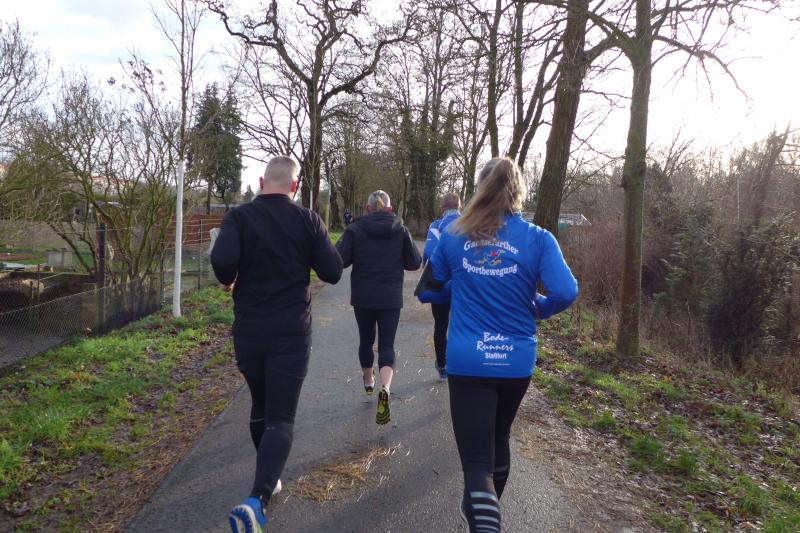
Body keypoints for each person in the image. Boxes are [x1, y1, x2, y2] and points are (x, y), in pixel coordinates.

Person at [422, 157, 577, 533]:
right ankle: (485, 511)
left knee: (477, 464)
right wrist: (539, 307)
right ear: (518, 192)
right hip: (516, 361)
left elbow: (427, 290)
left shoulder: (455, 235)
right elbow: (566, 291)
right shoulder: (539, 238)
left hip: (469, 360)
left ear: (480, 190)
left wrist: (457, 285)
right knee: (499, 436)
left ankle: (483, 515)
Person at [211, 156, 343, 533]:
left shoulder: (239, 217)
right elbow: (333, 271)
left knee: (261, 404)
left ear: (260, 182)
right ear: (295, 186)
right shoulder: (307, 220)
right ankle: (258, 498)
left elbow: (222, 263)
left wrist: (230, 277)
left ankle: (269, 475)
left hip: (249, 332)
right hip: (290, 332)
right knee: (281, 417)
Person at [336, 190, 421, 425]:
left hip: (363, 297)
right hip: (390, 298)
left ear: (367, 208)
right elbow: (415, 262)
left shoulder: (355, 229)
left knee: (366, 341)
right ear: (390, 208)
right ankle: (385, 388)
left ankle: (368, 382)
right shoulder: (400, 229)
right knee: (387, 344)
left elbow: (339, 259)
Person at [421, 192, 462, 381]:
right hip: (463, 285)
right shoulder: (471, 225)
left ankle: (443, 366)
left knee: (440, 325)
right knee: (460, 325)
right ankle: (459, 365)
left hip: (440, 285)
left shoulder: (436, 226)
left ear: (442, 208)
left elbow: (428, 253)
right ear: (460, 207)